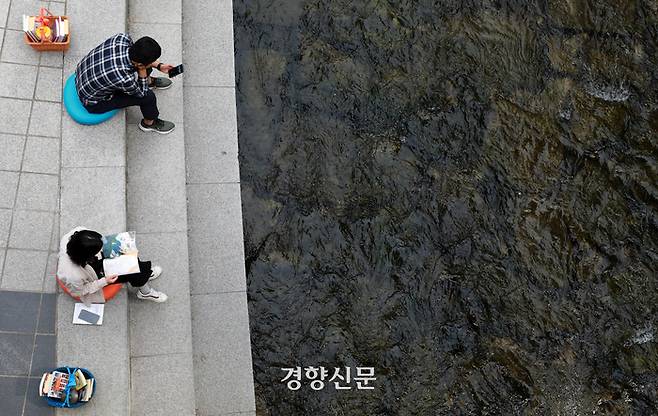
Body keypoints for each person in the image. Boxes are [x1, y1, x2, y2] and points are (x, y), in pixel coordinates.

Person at [75, 33, 176, 134]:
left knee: (144, 69)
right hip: (93, 103)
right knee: (148, 97)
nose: (155, 62)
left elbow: (139, 61)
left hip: (83, 75)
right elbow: (142, 93)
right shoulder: (124, 78)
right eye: (153, 61)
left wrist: (159, 66)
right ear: (140, 64)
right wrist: (143, 70)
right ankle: (149, 123)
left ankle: (148, 81)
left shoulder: (122, 38)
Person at [57, 227, 168, 304]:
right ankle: (145, 292)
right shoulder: (73, 275)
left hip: (91, 262)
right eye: (97, 249)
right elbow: (80, 291)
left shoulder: (77, 232)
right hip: (93, 274)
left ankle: (145, 276)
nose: (101, 249)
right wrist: (105, 281)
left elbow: (100, 241)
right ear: (88, 255)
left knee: (130, 258)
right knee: (133, 272)